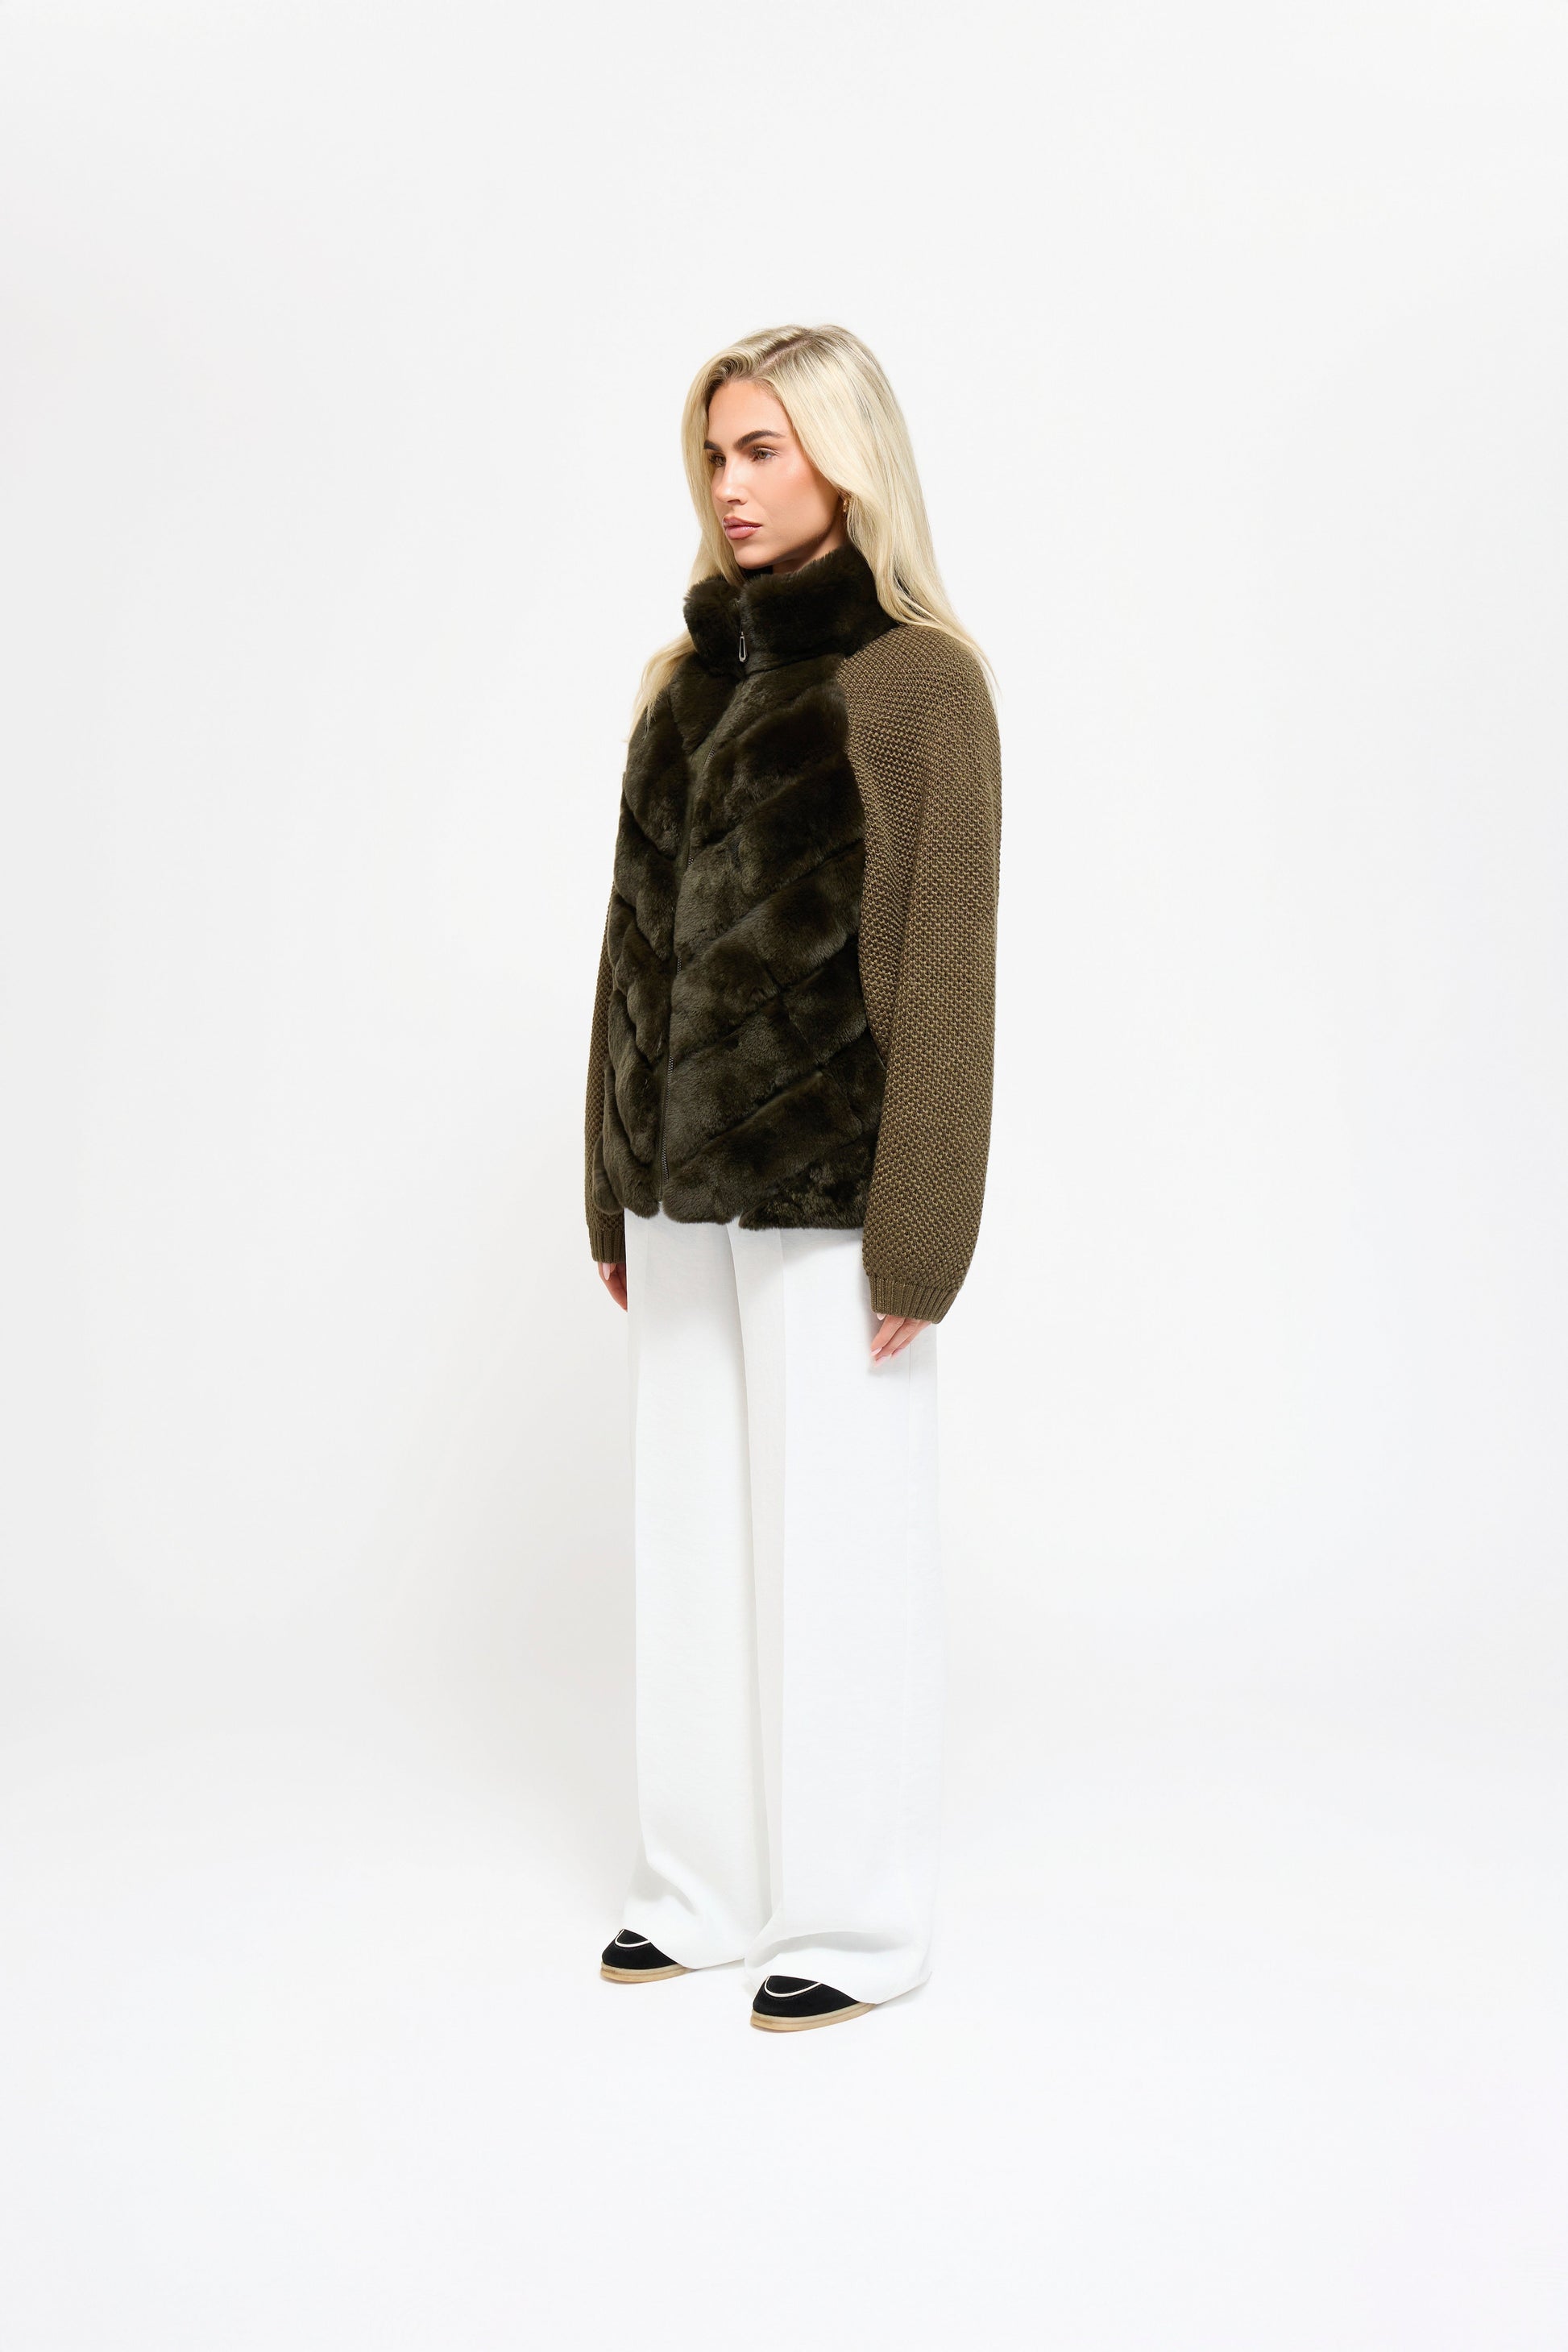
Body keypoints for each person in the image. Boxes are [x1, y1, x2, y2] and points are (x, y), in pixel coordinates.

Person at [582, 323, 1001, 2032]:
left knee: (840, 1546)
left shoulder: (916, 683)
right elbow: (627, 942)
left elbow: (944, 968)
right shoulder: (681, 681)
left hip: (835, 1192)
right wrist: (608, 1178)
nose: (731, 485)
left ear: (842, 454)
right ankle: (701, 1887)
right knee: (690, 1544)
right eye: (715, 454)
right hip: (678, 1187)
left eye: (762, 448)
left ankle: (856, 1919)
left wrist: (924, 1229)